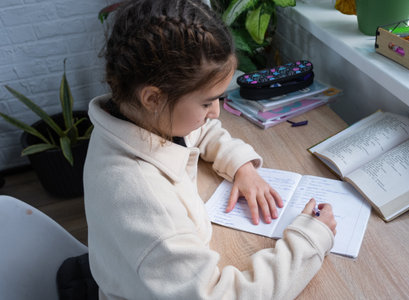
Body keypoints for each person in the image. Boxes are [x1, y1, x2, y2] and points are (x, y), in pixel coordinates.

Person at [83, 0, 337, 299]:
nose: (216, 112)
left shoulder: (133, 114)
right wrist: (310, 239)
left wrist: (241, 165)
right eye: (207, 102)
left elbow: (201, 129)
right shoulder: (146, 202)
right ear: (153, 98)